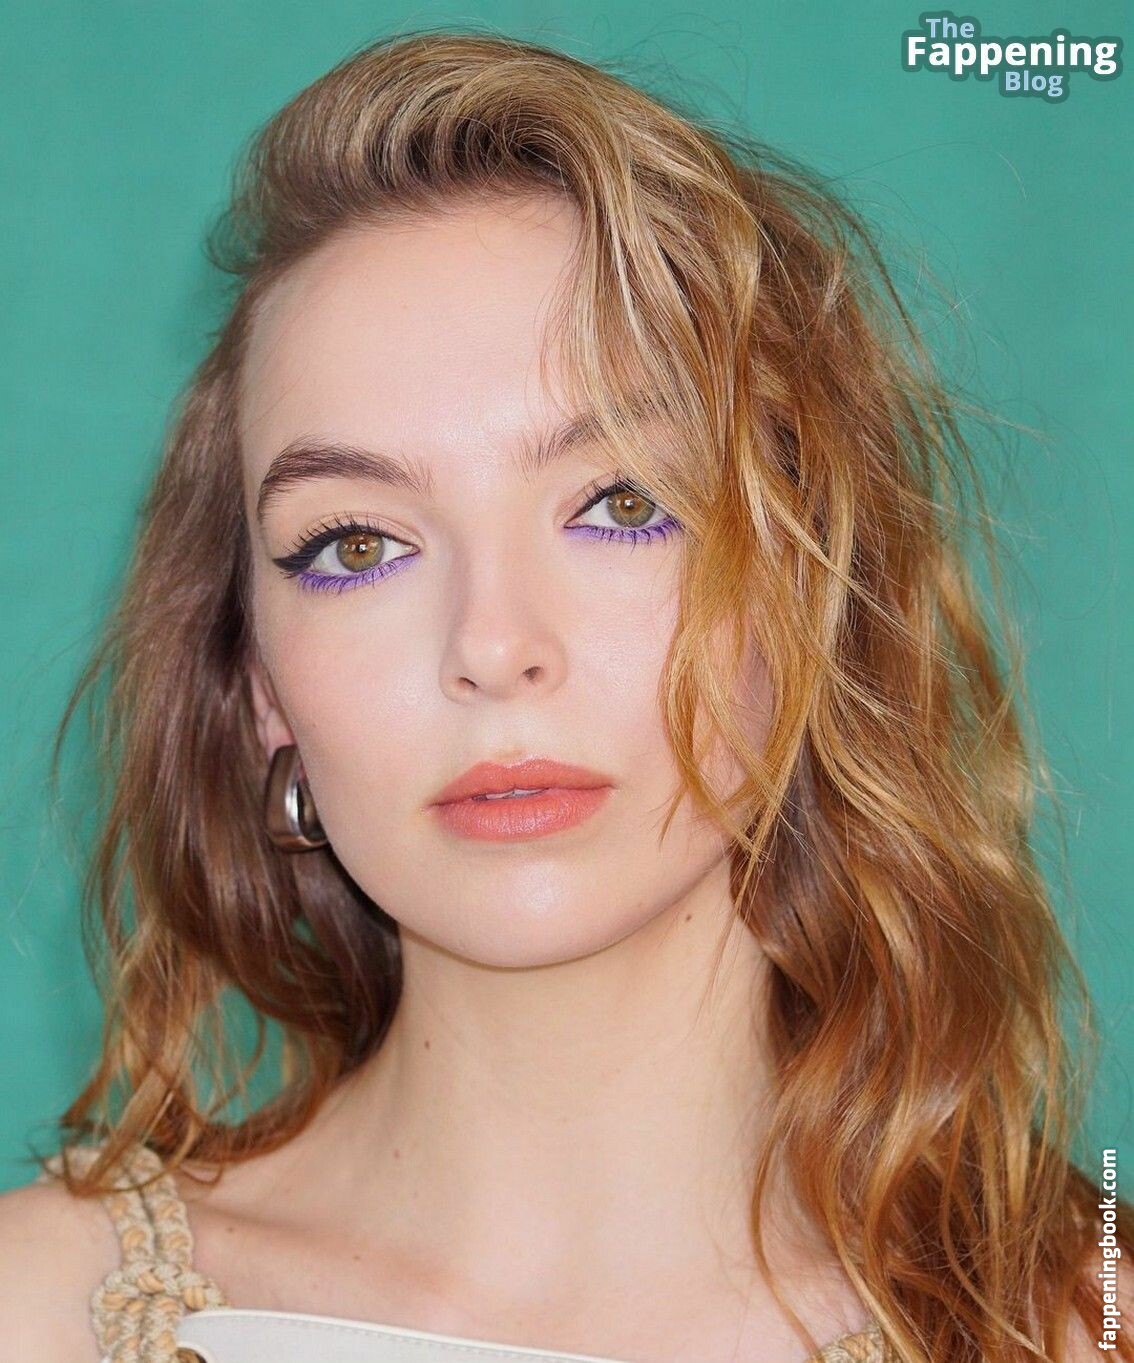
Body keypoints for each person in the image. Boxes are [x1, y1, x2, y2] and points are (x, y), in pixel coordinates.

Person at [0, 30, 1130, 1363]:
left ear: (814, 588)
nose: (493, 647)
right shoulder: (37, 1311)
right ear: (260, 687)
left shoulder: (1084, 1322)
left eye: (623, 505)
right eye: (355, 545)